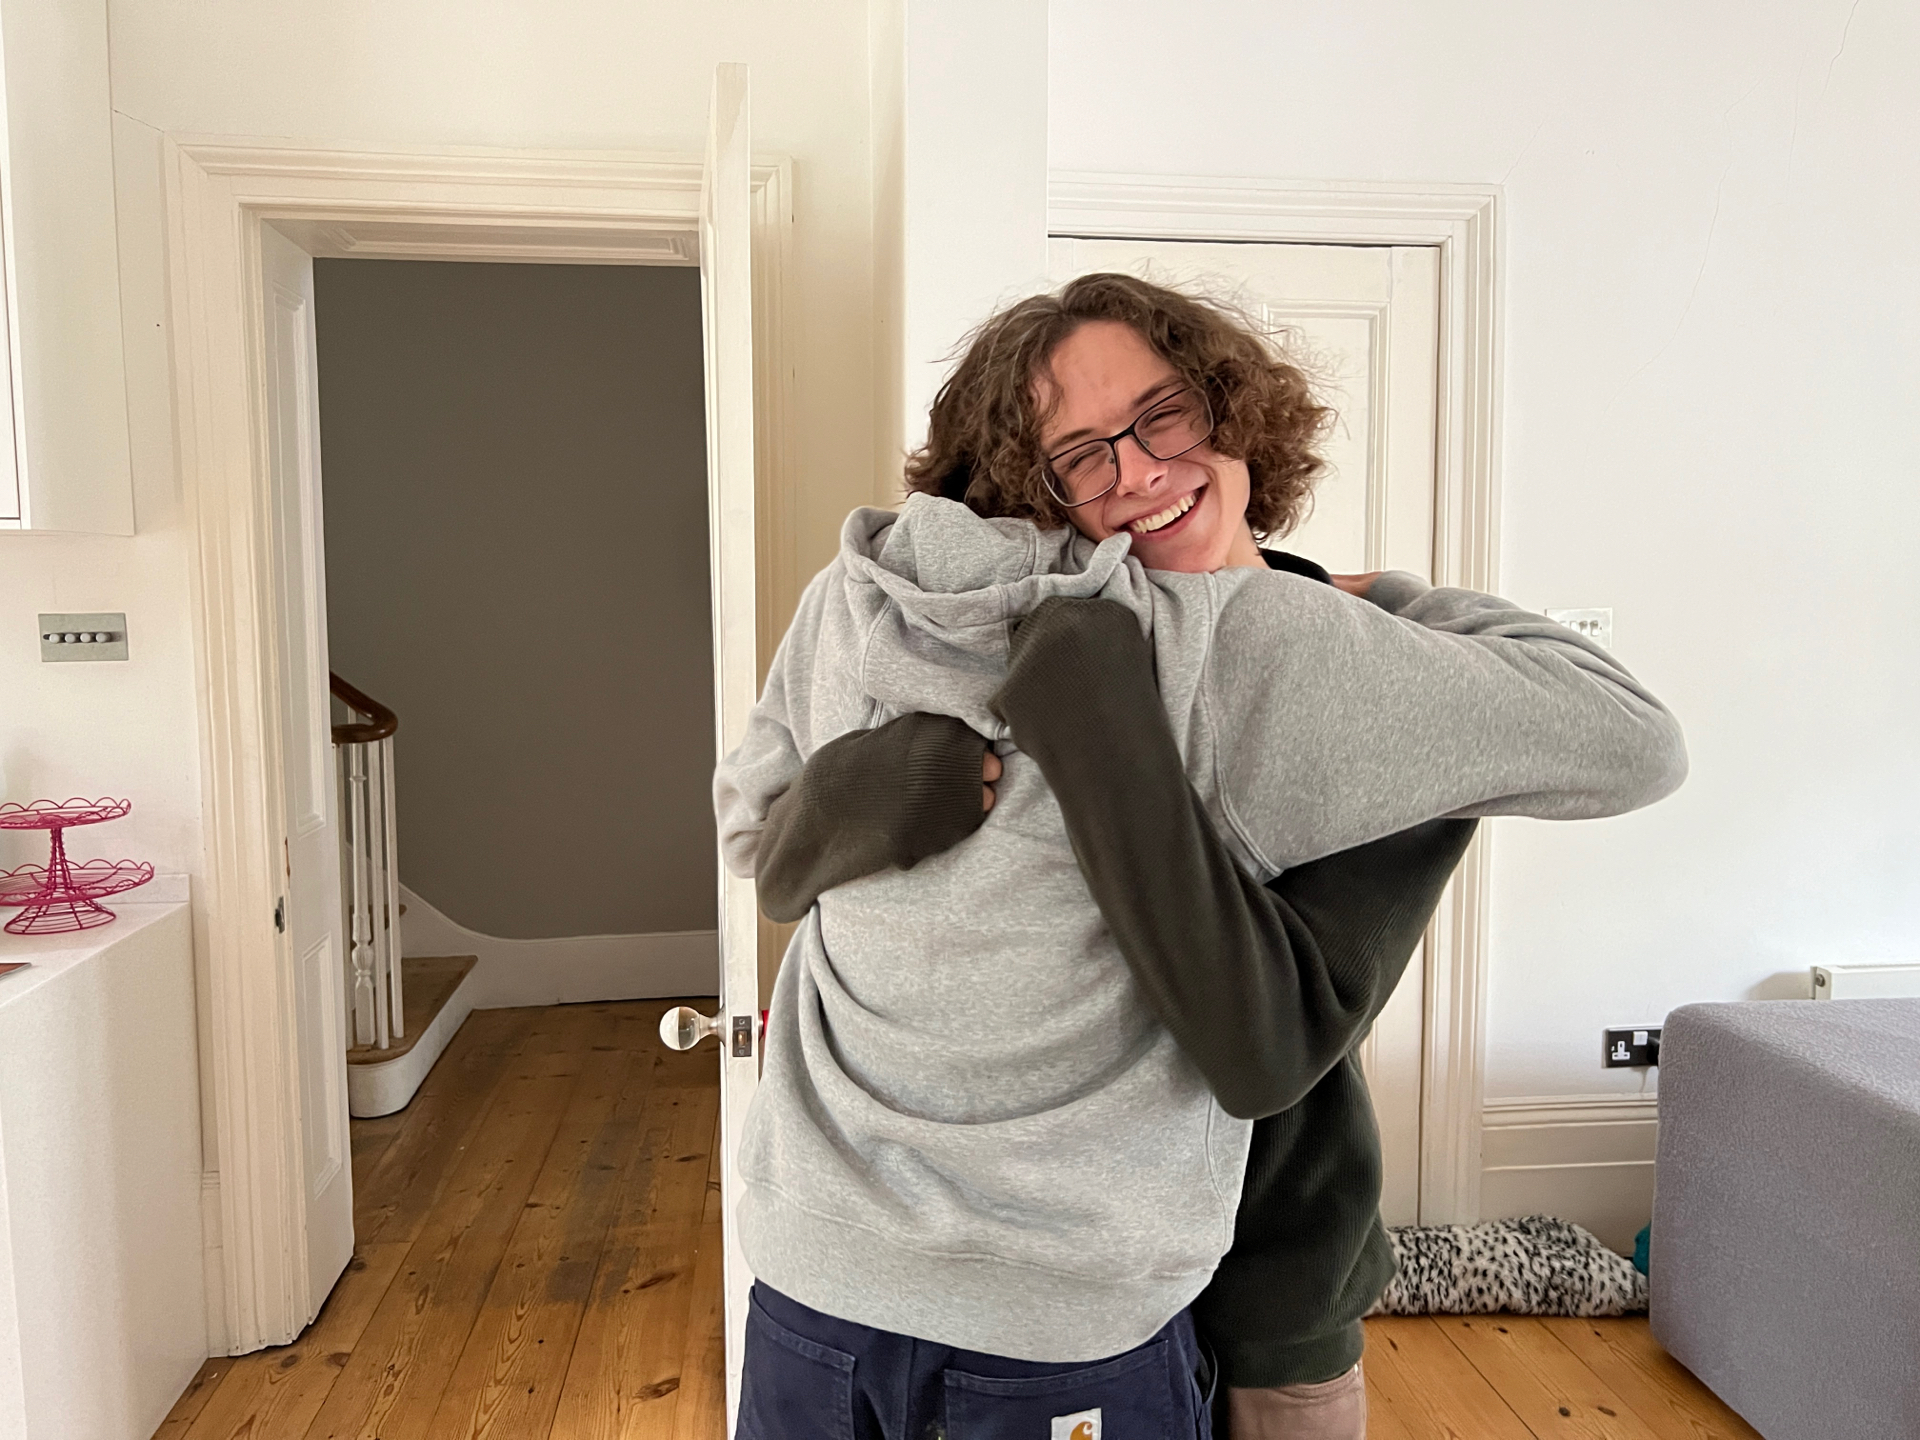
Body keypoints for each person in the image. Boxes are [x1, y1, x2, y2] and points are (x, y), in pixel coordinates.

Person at [713, 273, 1687, 1439]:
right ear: (1028, 487)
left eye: (1164, 416)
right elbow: (764, 849)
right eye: (1079, 457)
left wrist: (1395, 606)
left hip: (1236, 1285)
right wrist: (845, 801)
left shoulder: (1314, 664)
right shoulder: (1189, 640)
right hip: (1033, 1293)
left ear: (1233, 410)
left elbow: (1263, 1045)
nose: (1136, 472)